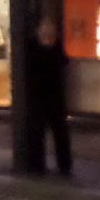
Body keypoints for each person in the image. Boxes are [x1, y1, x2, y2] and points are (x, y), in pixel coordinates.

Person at [30, 15, 72, 177]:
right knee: (44, 131)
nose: (47, 30)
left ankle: (62, 165)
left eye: (50, 27)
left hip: (51, 96)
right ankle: (41, 164)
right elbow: (64, 63)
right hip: (44, 96)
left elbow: (63, 62)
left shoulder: (50, 46)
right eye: (45, 27)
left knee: (57, 131)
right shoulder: (40, 46)